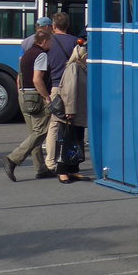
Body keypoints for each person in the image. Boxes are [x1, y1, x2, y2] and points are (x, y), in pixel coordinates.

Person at [3, 29, 54, 182]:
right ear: (44, 41)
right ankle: (12, 159)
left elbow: (20, 77)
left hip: (24, 95)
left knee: (33, 133)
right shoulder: (41, 55)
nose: (51, 44)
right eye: (50, 41)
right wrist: (47, 97)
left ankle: (40, 169)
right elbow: (37, 79)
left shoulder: (27, 53)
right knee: (40, 132)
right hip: (35, 96)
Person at [43, 14, 78, 177]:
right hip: (72, 88)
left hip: (55, 87)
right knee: (71, 126)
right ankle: (69, 161)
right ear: (68, 25)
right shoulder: (74, 42)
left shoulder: (49, 42)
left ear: (54, 25)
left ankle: (50, 162)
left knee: (54, 126)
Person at [52, 44, 88, 183]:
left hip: (78, 112)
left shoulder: (82, 68)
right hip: (72, 112)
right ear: (82, 56)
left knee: (76, 140)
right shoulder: (73, 68)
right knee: (65, 140)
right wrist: (70, 110)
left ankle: (73, 169)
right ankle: (62, 171)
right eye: (86, 56)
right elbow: (69, 90)